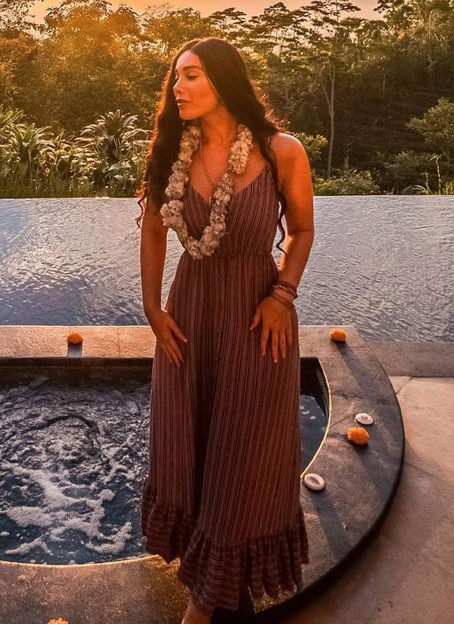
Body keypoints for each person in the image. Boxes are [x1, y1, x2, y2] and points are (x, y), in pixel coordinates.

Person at [137, 37, 314, 622]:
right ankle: (204, 567)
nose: (178, 89)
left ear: (224, 81)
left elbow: (303, 231)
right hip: (189, 314)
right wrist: (152, 308)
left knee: (244, 452)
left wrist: (282, 296)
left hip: (255, 317)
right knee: (189, 443)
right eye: (175, 79)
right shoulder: (171, 151)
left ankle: (205, 601)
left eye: (191, 76)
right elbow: (156, 230)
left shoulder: (281, 151)